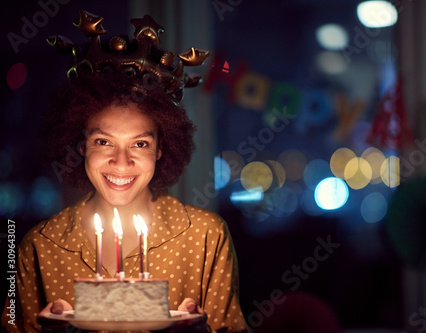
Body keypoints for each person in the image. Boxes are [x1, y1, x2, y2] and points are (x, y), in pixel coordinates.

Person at [1, 10, 248, 333]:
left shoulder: (203, 237)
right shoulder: (40, 247)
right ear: (81, 146)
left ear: (162, 149)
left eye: (140, 144)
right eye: (103, 142)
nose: (121, 162)